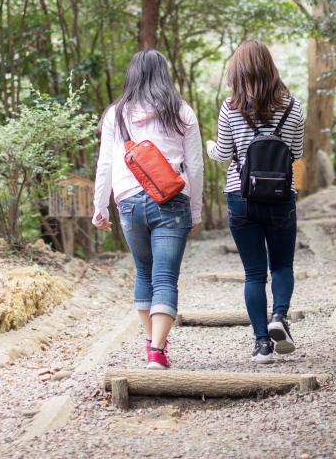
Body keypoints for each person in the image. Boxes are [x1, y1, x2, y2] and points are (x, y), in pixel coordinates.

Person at [92, 50, 203, 370]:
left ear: (132, 76)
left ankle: (153, 344)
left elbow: (106, 164)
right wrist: (196, 211)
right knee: (165, 277)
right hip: (172, 201)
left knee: (144, 273)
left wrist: (100, 207)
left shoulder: (117, 113)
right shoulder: (181, 111)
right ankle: (157, 350)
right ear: (164, 74)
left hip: (128, 202)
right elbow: (195, 167)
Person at [208, 40, 305, 364]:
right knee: (281, 265)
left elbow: (223, 154)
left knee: (253, 274)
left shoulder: (230, 108)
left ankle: (262, 344)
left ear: (238, 71)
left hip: (241, 197)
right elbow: (297, 155)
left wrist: (210, 148)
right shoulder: (293, 108)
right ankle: (279, 315)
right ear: (270, 68)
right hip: (280, 198)